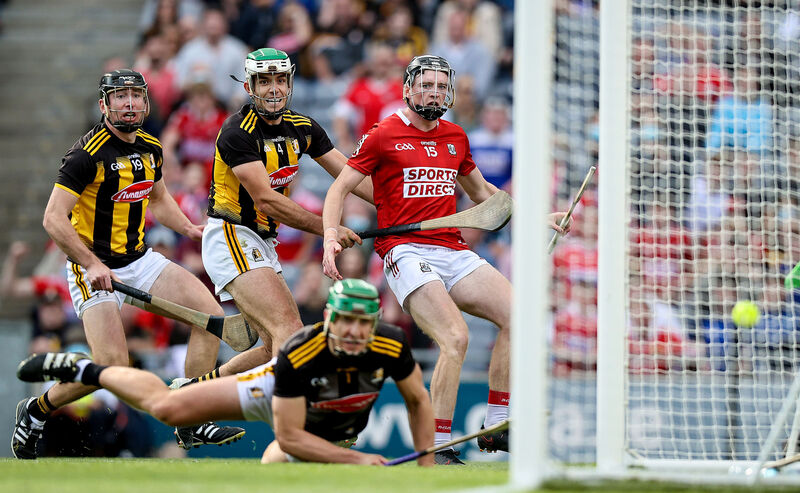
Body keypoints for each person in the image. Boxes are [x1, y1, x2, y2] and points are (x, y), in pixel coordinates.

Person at [321, 55, 571, 464]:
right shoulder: (383, 135)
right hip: (404, 250)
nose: (434, 92)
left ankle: (498, 424)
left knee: (518, 315)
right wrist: (331, 233)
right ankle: (436, 446)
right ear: (407, 89)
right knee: (455, 339)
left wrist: (535, 216)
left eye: (441, 85)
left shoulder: (456, 136)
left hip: (452, 248)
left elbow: (483, 195)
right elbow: (340, 188)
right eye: (426, 85)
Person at [11, 69, 245, 460]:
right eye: (120, 96)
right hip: (91, 267)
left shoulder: (152, 147)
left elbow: (157, 199)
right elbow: (53, 218)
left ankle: (187, 417)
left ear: (147, 103)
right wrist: (91, 263)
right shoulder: (85, 155)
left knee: (209, 317)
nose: (130, 102)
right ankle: (37, 410)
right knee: (110, 365)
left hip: (140, 260)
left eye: (136, 95)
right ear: (104, 104)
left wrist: (187, 227)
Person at [17, 279, 435, 466]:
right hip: (277, 397)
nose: (353, 332)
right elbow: (289, 436)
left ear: (376, 323)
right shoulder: (300, 353)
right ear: (327, 316)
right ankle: (86, 370)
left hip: (328, 424)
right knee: (167, 407)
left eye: (363, 324)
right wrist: (356, 461)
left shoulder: (391, 343)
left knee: (278, 471)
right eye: (344, 320)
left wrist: (426, 467)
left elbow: (418, 401)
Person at [193, 48, 373, 381]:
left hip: (262, 243)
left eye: (279, 79)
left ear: (290, 82)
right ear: (250, 87)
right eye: (264, 81)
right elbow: (267, 201)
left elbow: (349, 176)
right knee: (291, 335)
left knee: (272, 345)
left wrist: (395, 206)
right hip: (232, 235)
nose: (273, 88)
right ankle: (293, 427)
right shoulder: (237, 132)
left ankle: (194, 391)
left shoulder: (303, 127)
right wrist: (329, 229)